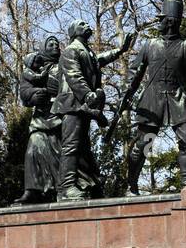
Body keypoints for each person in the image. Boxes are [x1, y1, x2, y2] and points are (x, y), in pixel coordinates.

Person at [124, 0, 186, 194]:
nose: (158, 23)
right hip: (152, 101)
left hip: (177, 99)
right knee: (145, 143)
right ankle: (132, 183)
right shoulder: (149, 45)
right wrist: (127, 93)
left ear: (170, 22)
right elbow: (134, 72)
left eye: (161, 19)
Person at [53, 21, 133, 201]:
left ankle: (86, 184)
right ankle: (65, 188)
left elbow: (100, 59)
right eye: (82, 24)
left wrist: (120, 50)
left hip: (82, 106)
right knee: (71, 146)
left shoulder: (86, 51)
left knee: (82, 148)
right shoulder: (71, 50)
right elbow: (74, 75)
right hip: (72, 105)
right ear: (74, 31)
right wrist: (88, 94)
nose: (87, 24)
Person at [13, 36, 62, 204]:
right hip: (41, 118)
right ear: (43, 48)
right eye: (50, 44)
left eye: (57, 44)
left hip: (63, 117)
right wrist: (34, 96)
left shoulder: (66, 64)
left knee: (63, 151)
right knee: (33, 147)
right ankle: (33, 189)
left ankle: (62, 189)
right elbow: (25, 93)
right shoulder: (33, 69)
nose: (55, 46)